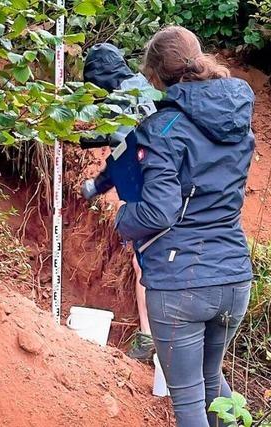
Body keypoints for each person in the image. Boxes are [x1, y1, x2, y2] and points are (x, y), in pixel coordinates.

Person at [114, 26, 255, 427]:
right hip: (234, 278)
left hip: (181, 283)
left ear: (155, 74)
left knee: (190, 400)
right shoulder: (238, 120)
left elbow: (159, 213)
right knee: (212, 380)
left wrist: (123, 220)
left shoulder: (163, 129)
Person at [79, 43, 156, 361]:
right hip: (168, 190)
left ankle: (152, 338)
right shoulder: (144, 87)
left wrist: (95, 185)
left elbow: (126, 150)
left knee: (146, 262)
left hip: (152, 194)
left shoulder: (124, 98)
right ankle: (157, 337)